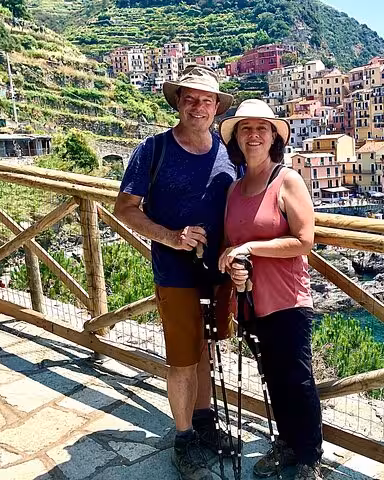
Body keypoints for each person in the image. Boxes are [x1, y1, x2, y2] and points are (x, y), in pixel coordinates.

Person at [114, 65, 245, 480]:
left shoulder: (229, 152)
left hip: (218, 270)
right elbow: (125, 209)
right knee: (182, 358)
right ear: (177, 102)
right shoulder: (153, 150)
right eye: (190, 98)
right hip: (174, 272)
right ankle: (184, 436)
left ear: (217, 107)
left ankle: (205, 424)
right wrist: (171, 237)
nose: (198, 106)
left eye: (207, 100)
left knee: (207, 348)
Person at [218, 99, 323, 480]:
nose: (254, 135)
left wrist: (248, 249)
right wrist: (234, 267)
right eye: (245, 128)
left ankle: (310, 456)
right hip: (249, 302)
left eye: (262, 128)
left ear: (274, 136)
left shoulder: (287, 179)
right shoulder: (233, 190)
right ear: (237, 139)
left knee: (297, 378)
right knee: (271, 377)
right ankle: (285, 443)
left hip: (288, 300)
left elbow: (304, 240)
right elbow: (231, 245)